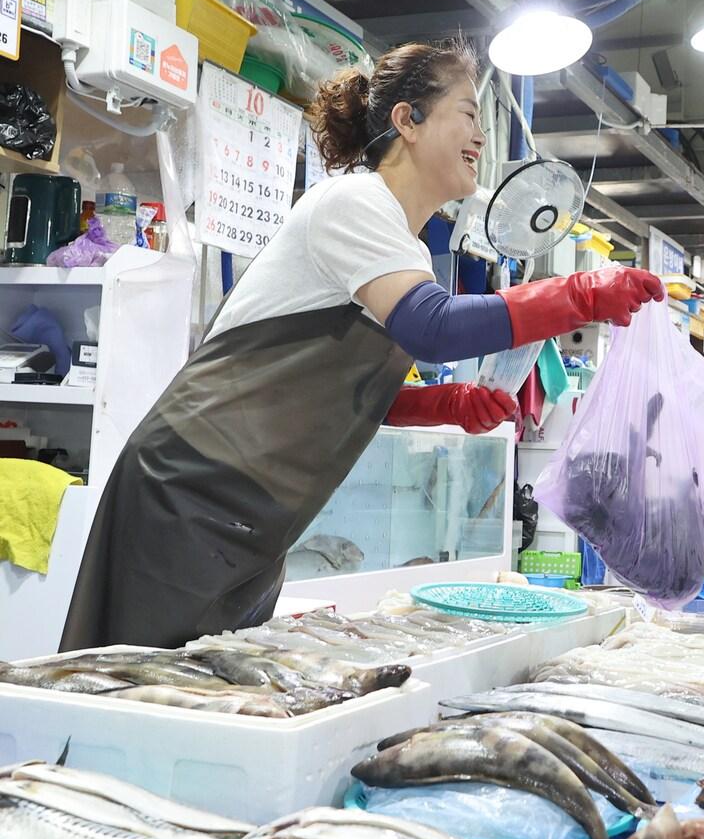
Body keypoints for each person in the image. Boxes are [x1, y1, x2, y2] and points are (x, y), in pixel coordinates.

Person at [61, 40, 663, 651]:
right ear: (408, 119)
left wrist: (441, 405)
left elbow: (337, 389)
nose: (481, 136)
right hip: (193, 488)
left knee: (214, 699)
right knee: (143, 696)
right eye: (469, 113)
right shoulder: (353, 201)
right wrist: (579, 296)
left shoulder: (400, 239)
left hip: (254, 509)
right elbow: (433, 325)